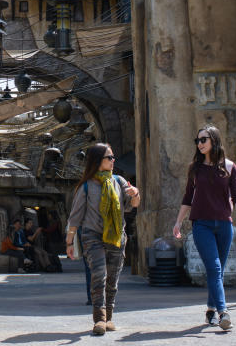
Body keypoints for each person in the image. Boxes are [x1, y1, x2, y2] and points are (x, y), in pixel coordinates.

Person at [172, 124, 236, 331]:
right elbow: (188, 197)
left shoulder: (230, 167)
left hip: (224, 225)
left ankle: (211, 310)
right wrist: (178, 222)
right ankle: (224, 312)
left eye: (203, 139)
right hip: (201, 224)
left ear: (214, 140)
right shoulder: (194, 168)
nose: (200, 144)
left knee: (218, 271)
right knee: (213, 268)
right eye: (197, 140)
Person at [66, 143, 140, 336]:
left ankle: (109, 318)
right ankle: (99, 318)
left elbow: (131, 206)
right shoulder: (86, 186)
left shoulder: (119, 181)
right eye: (110, 158)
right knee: (99, 275)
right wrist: (69, 241)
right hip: (92, 236)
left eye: (113, 157)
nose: (113, 161)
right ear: (98, 161)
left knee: (112, 279)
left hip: (116, 236)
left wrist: (135, 194)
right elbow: (75, 216)